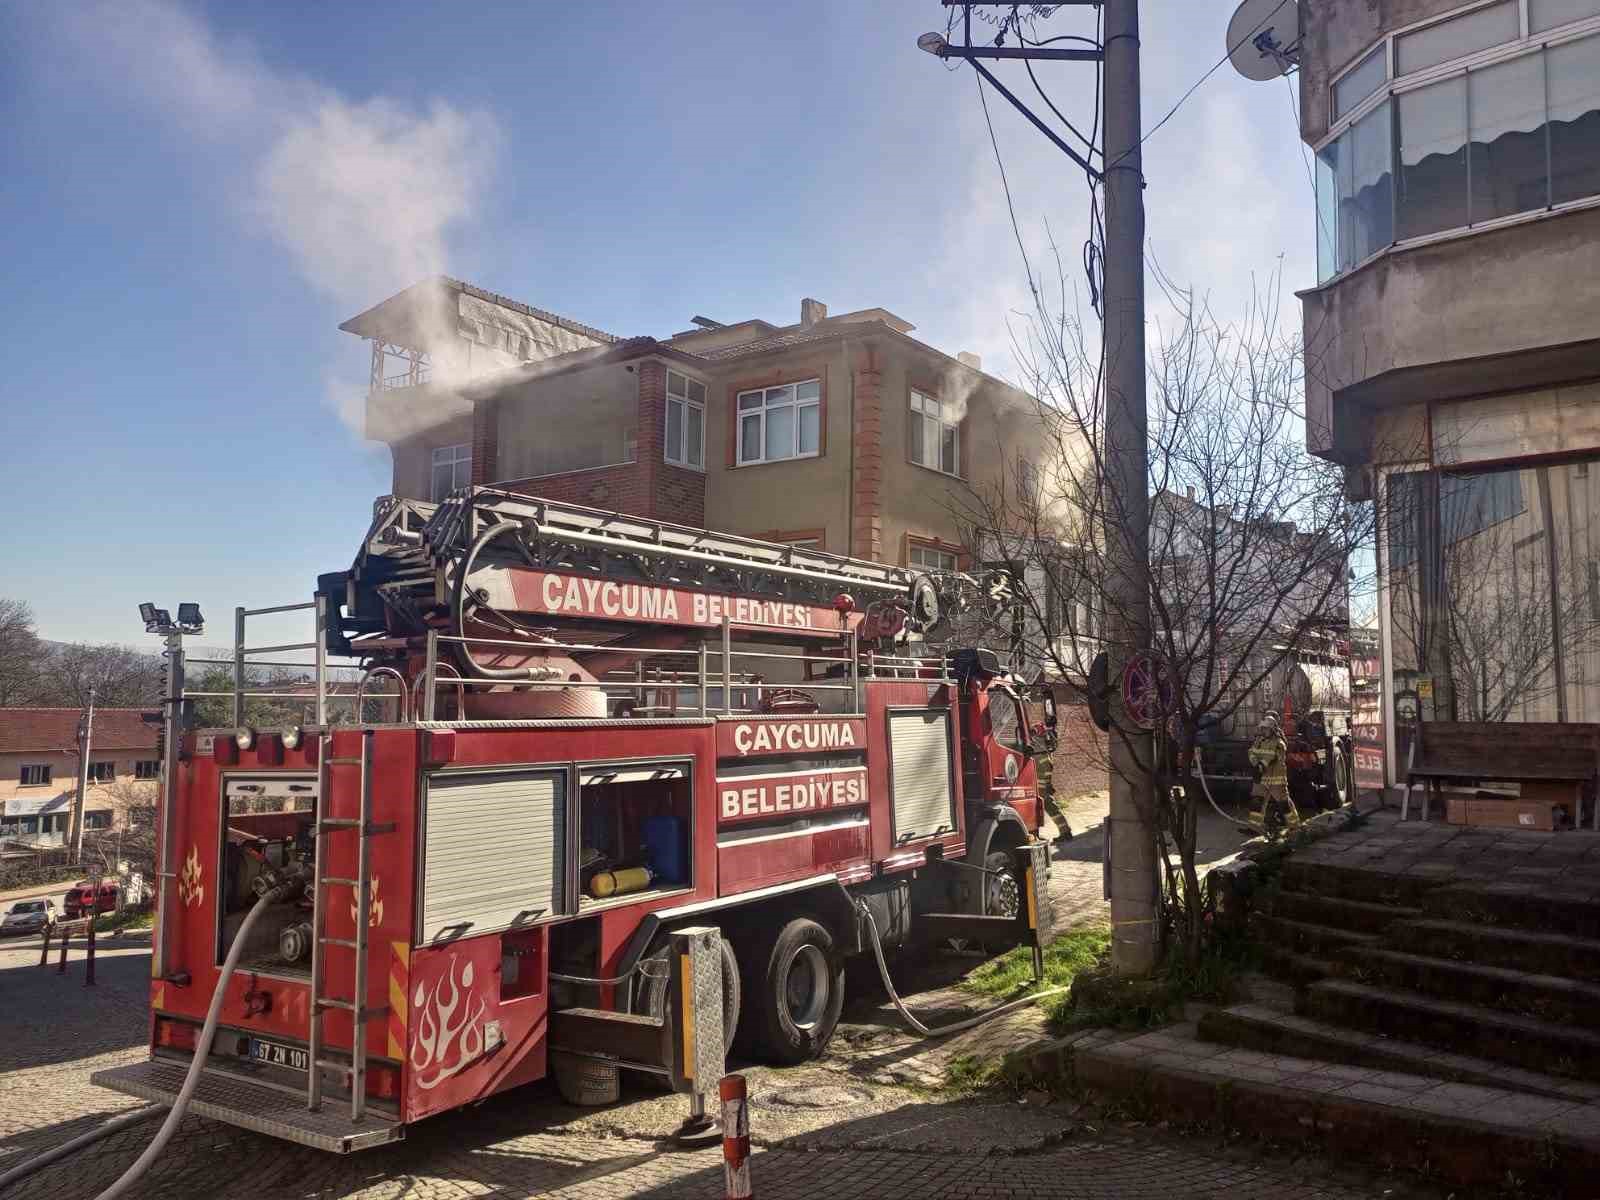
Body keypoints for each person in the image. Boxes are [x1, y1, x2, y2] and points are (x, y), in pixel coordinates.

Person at [1248, 713, 1297, 834]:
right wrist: (1256, 764)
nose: (1263, 731)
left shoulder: (1279, 743)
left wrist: (1261, 765)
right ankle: (1254, 828)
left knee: (1284, 804)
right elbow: (1251, 752)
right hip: (1262, 778)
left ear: (1272, 729)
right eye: (1262, 728)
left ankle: (1295, 827)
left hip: (1276, 779)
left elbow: (1271, 756)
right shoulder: (1259, 740)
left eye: (1266, 728)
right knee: (1257, 802)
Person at [1036, 748, 1073, 843]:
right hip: (1039, 786)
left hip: (1039, 787)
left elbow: (1046, 767)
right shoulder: (1041, 750)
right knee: (1044, 808)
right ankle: (1065, 832)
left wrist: (1046, 784)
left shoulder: (1040, 751)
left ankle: (1065, 832)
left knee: (1050, 807)